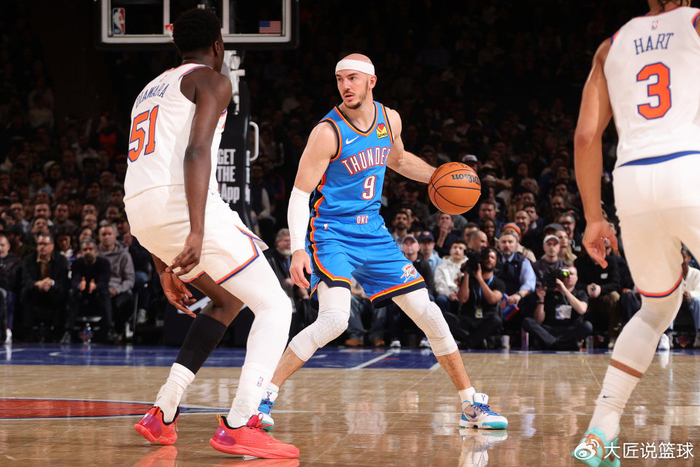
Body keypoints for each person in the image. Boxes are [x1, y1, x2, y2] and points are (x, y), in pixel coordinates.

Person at [257, 53, 507, 433]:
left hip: (374, 233)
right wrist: (297, 249)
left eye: (353, 78)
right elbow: (299, 194)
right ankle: (262, 396)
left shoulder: (389, 120)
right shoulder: (327, 132)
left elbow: (399, 160)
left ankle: (470, 404)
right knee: (335, 320)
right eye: (340, 79)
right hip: (332, 233)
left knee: (429, 313)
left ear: (371, 81)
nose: (345, 86)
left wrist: (440, 176)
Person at [126, 9, 298, 459]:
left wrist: (162, 259)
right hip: (180, 208)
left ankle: (163, 410)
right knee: (276, 306)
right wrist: (197, 230)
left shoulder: (149, 90)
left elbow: (147, 172)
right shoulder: (213, 80)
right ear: (218, 46)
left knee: (228, 300)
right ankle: (241, 423)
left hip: (139, 212)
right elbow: (196, 151)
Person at [571, 1, 700, 464]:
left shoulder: (611, 46)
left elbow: (586, 137)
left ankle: (601, 430)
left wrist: (593, 217)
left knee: (656, 309)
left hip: (631, 181)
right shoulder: (695, 22)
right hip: (689, 166)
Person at [523, 265, 592, 350]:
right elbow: (538, 320)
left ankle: (554, 344)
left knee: (587, 326)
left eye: (572, 274)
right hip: (550, 329)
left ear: (576, 278)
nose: (569, 276)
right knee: (527, 322)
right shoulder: (550, 293)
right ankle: (558, 344)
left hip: (569, 330)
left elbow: (582, 310)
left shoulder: (580, 293)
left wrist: (565, 290)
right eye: (566, 274)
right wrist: (541, 299)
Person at [452, 247, 505, 349]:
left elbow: (492, 299)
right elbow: (462, 299)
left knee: (496, 320)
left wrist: (479, 278)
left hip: (485, 320)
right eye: (486, 257)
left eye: (492, 258)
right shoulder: (469, 279)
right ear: (481, 260)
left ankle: (468, 343)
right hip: (469, 319)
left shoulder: (499, 283)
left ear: (496, 261)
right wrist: (467, 273)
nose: (489, 260)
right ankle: (477, 340)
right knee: (445, 317)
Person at [19, 232, 68, 342]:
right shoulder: (28, 260)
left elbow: (63, 281)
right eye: (39, 244)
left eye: (45, 244)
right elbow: (25, 280)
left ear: (52, 246)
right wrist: (37, 284)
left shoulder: (61, 260)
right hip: (35, 292)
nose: (42, 247)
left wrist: (51, 283)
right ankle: (28, 331)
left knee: (62, 293)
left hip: (53, 292)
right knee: (25, 292)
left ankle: (57, 332)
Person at [64, 238, 112, 343]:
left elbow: (105, 282)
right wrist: (79, 285)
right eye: (85, 250)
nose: (88, 252)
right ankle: (68, 332)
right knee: (73, 295)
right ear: (81, 252)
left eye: (90, 249)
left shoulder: (104, 263)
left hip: (97, 294)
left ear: (96, 251)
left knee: (105, 294)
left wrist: (95, 286)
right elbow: (74, 280)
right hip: (82, 294)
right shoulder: (77, 263)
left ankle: (108, 331)